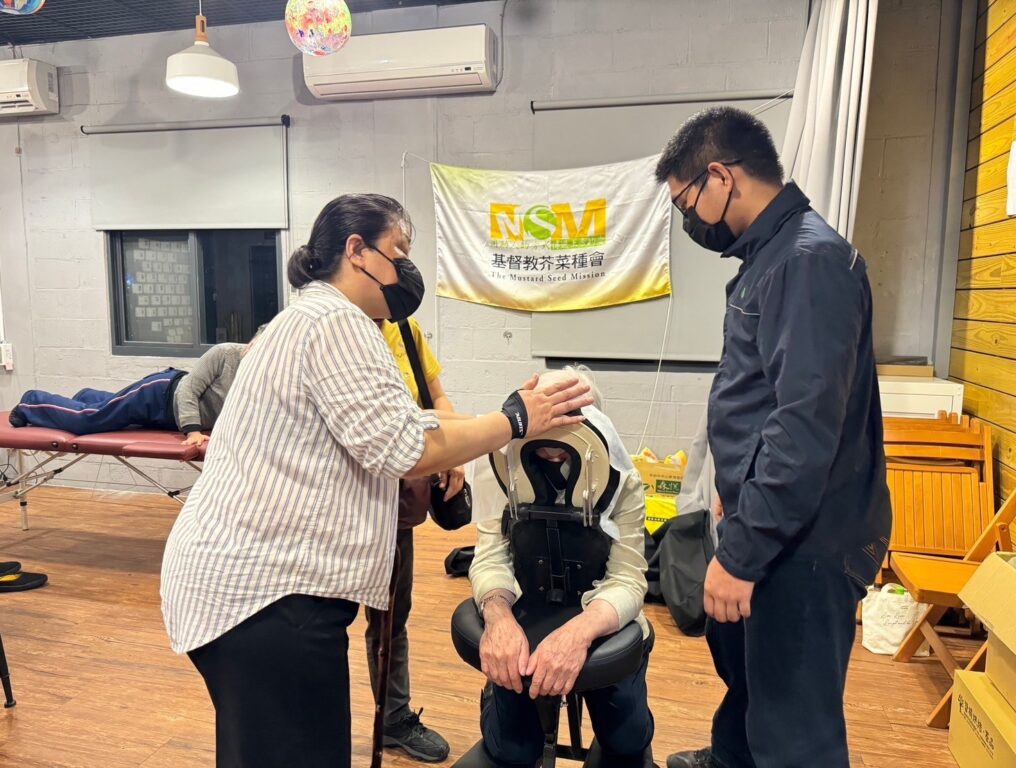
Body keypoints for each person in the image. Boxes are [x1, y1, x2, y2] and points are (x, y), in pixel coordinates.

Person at [159, 193, 593, 768]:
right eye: (400, 250)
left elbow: (409, 421)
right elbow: (406, 447)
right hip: (268, 597)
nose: (407, 267)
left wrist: (512, 414)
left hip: (253, 590)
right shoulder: (337, 322)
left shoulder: (312, 317)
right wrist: (515, 420)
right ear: (356, 250)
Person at [654, 108, 891, 768]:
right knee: (752, 688)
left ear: (721, 177)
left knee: (795, 733)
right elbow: (764, 396)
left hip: (805, 545)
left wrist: (743, 555)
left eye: (686, 202)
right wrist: (734, 493)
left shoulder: (806, 262)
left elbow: (802, 429)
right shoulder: (774, 255)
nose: (689, 219)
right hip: (776, 524)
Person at [470, 367, 654, 768]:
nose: (554, 450)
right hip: (527, 610)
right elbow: (489, 555)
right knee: (510, 749)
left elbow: (628, 578)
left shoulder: (624, 481)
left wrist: (578, 634)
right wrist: (497, 616)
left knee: (626, 741)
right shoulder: (502, 471)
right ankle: (499, 703)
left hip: (600, 615)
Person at [368, 315, 462, 762]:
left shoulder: (405, 327)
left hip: (397, 502)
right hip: (337, 506)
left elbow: (435, 396)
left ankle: (393, 718)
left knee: (390, 618)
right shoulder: (331, 328)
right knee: (319, 621)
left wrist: (452, 450)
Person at [8, 328, 265, 446]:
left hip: (169, 420)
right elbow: (188, 390)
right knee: (88, 421)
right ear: (253, 342)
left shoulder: (265, 375)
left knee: (109, 409)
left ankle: (88, 396)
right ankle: (31, 402)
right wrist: (193, 432)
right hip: (158, 396)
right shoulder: (225, 353)